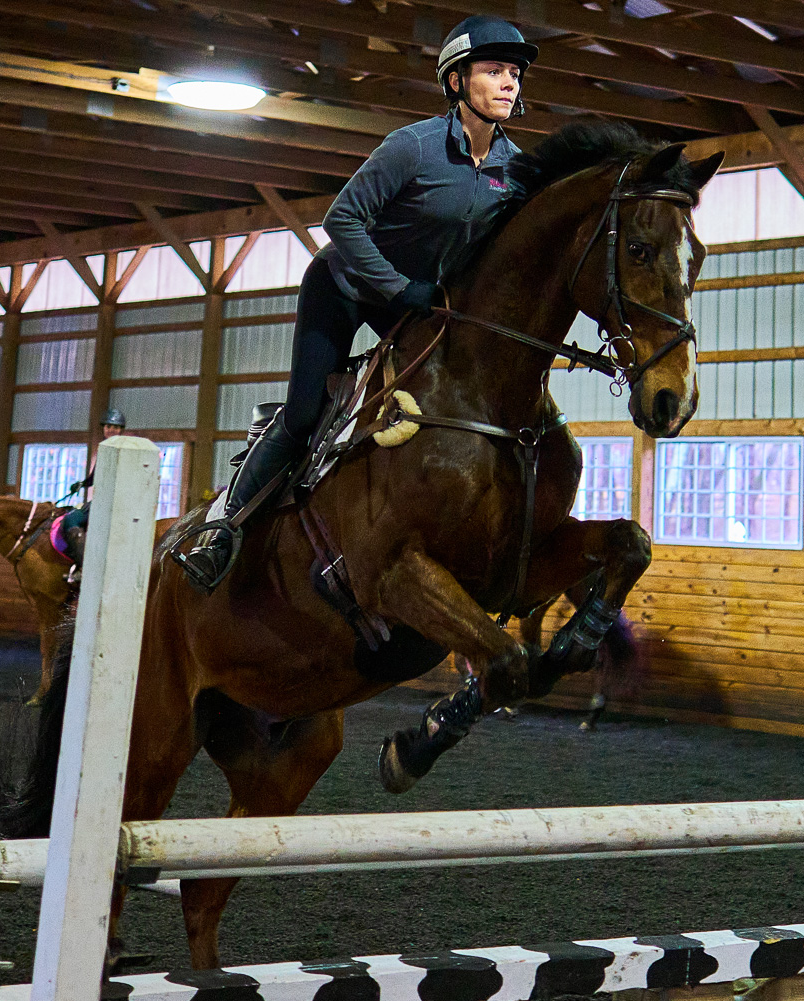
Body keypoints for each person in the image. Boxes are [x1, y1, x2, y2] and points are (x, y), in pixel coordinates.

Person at [176, 15, 540, 592]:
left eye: (514, 74)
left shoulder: (513, 172)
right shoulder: (412, 148)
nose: (508, 83)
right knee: (303, 417)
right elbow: (341, 219)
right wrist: (397, 288)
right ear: (455, 82)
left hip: (417, 304)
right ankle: (223, 529)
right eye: (493, 71)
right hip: (345, 289)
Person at [52, 406, 129, 561]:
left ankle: (82, 562)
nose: (110, 430)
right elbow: (94, 478)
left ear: (121, 430)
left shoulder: (122, 450)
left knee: (71, 519)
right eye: (108, 426)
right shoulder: (104, 449)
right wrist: (82, 484)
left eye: (115, 427)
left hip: (111, 501)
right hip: (103, 499)